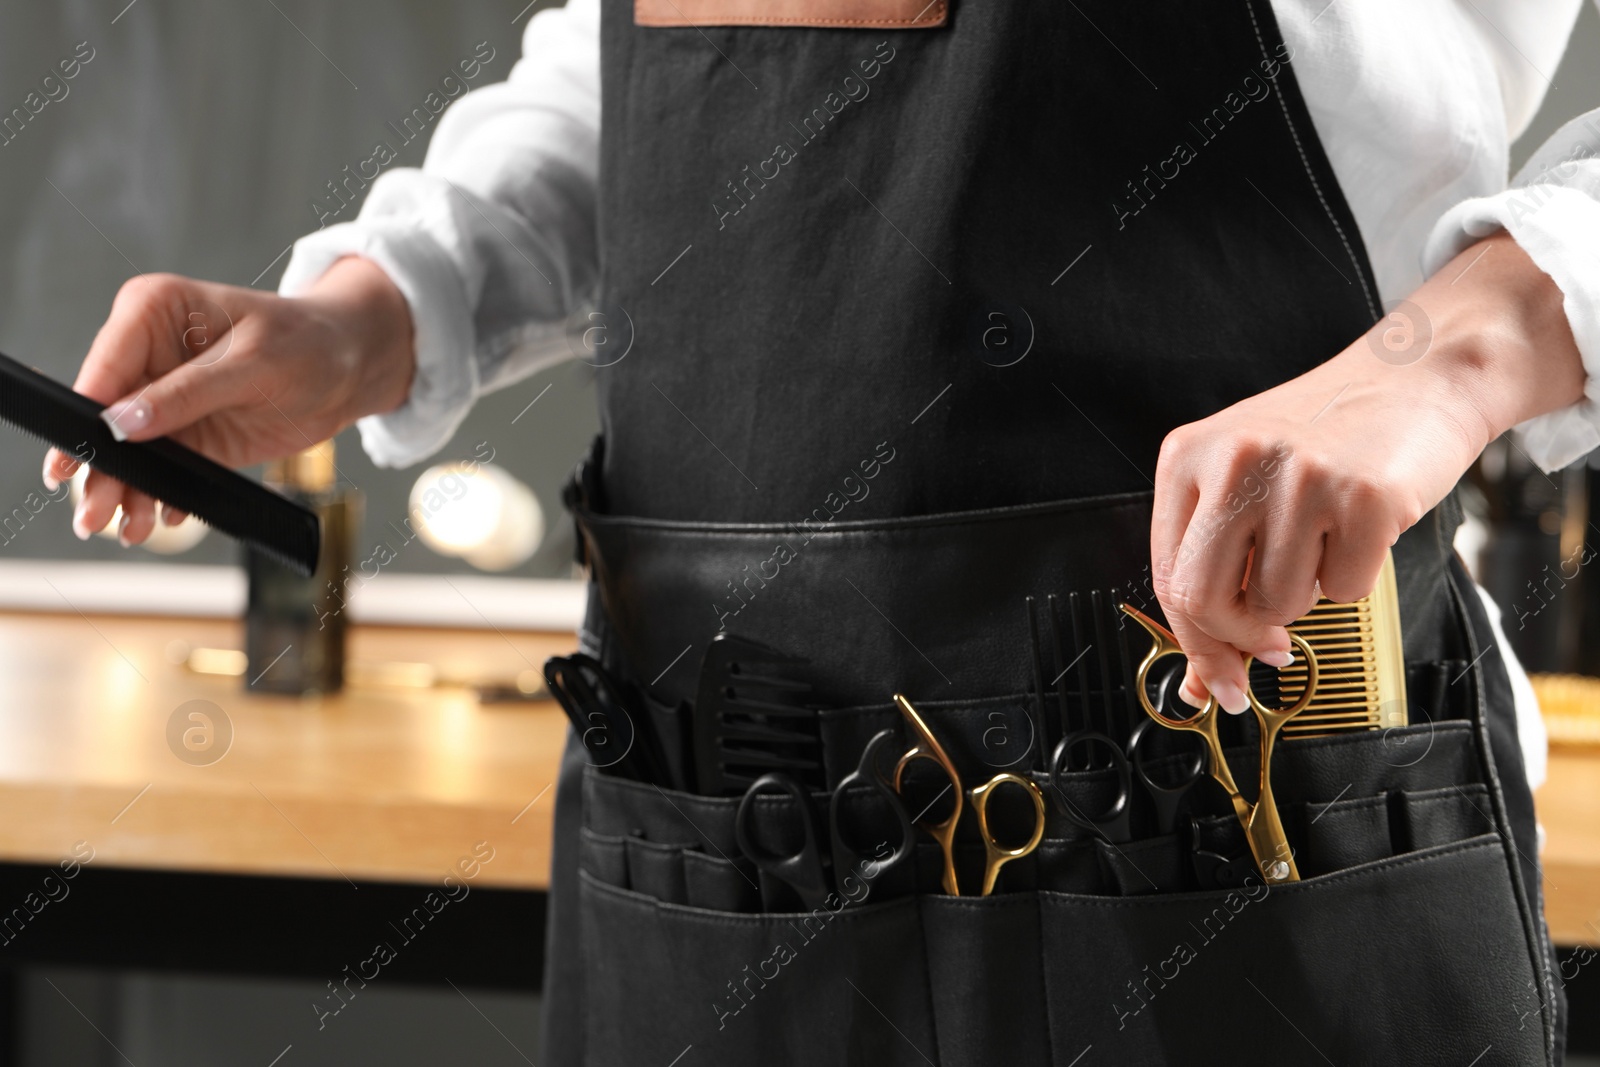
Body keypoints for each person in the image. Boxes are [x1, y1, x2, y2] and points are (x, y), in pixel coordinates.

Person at [43, 1, 1600, 1062]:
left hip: (1243, 851)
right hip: (707, 854)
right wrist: (372, 311)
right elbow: (641, 74)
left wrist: (1452, 358)